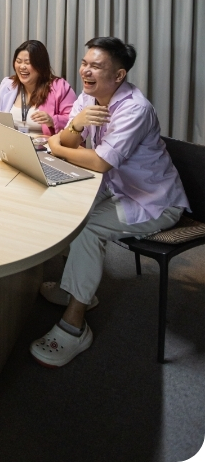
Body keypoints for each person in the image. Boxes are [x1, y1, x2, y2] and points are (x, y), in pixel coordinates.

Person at [30, 37, 189, 367]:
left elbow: (99, 161)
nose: (86, 71)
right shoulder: (87, 97)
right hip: (115, 188)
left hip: (153, 201)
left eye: (96, 66)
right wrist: (75, 124)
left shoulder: (135, 109)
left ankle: (75, 324)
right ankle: (75, 286)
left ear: (118, 75)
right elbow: (68, 138)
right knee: (57, 202)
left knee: (87, 228)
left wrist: (57, 148)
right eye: (85, 63)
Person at [0, 39, 76, 136]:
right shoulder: (8, 84)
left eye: (28, 63)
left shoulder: (60, 87)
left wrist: (52, 121)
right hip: (11, 145)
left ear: (40, 65)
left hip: (45, 148)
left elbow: (75, 121)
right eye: (18, 61)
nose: (22, 67)